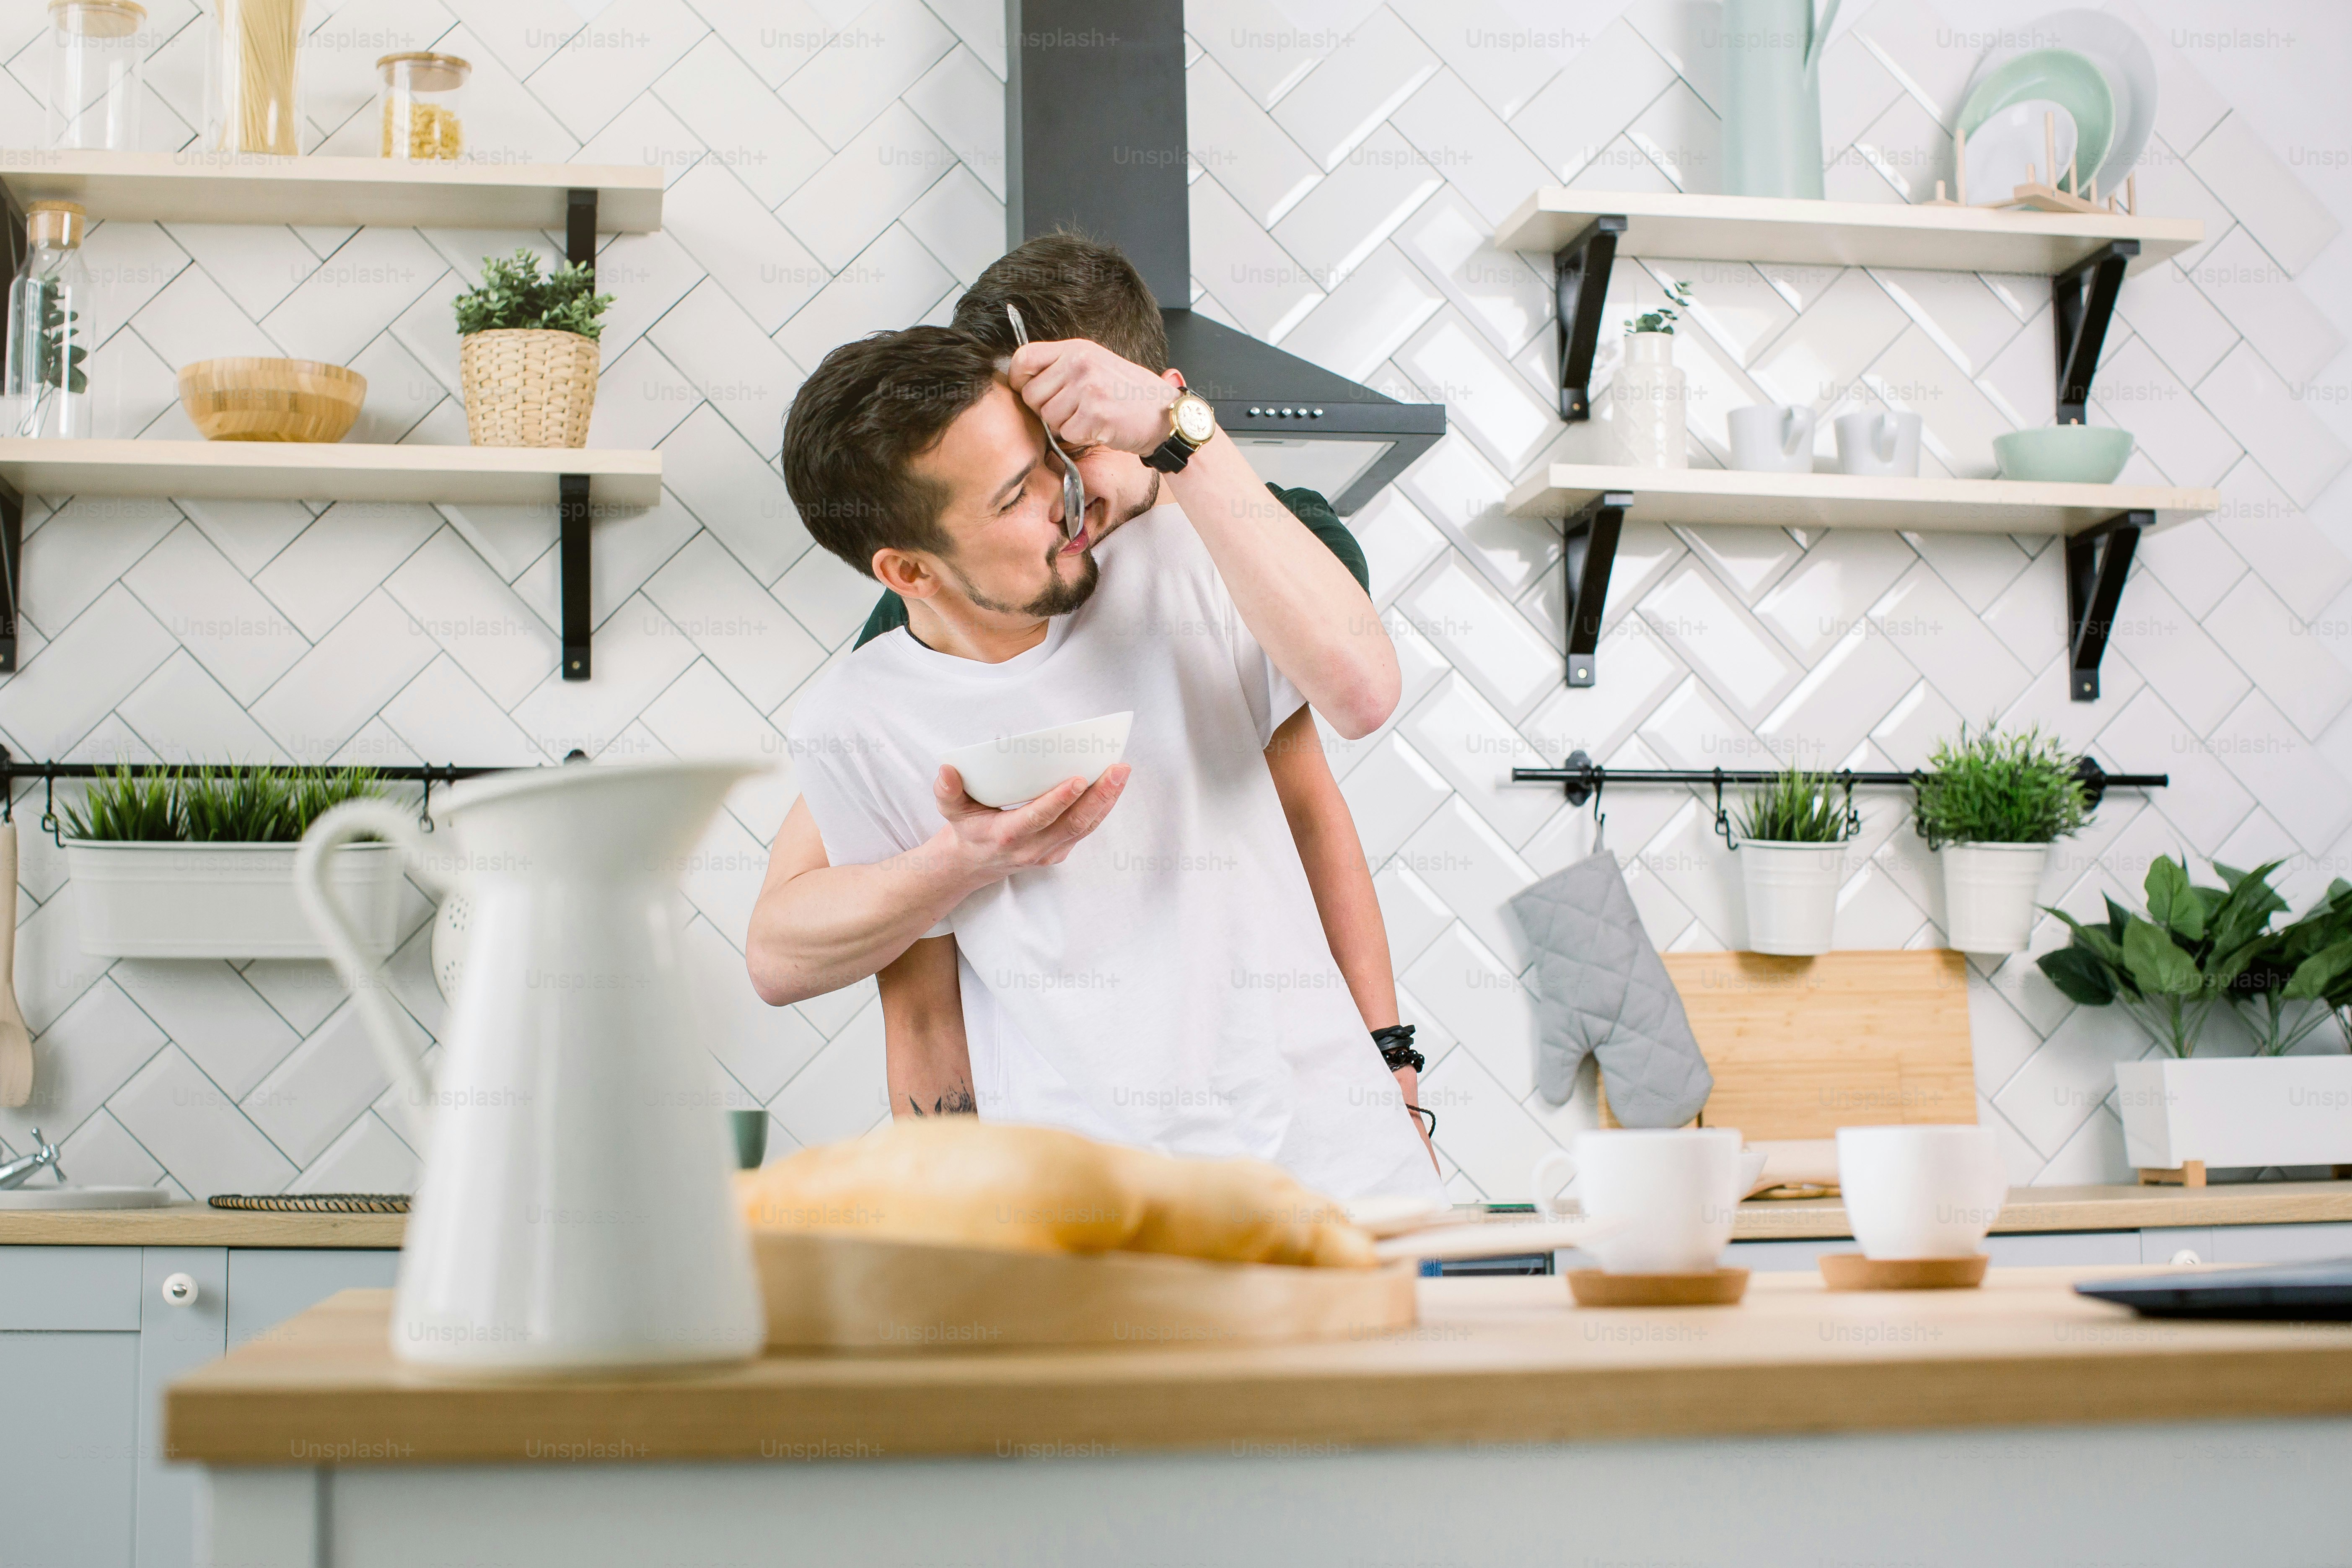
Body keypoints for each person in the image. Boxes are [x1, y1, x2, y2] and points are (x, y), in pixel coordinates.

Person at [749, 311, 1440, 1202]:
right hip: (1090, 1230)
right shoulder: (857, 718)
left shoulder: (1183, 563)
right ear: (909, 574)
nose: (1065, 498)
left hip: (1343, 1186)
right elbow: (915, 1011)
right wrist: (964, 860)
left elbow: (1365, 692)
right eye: (1012, 498)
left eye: (1051, 460)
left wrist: (1172, 426)